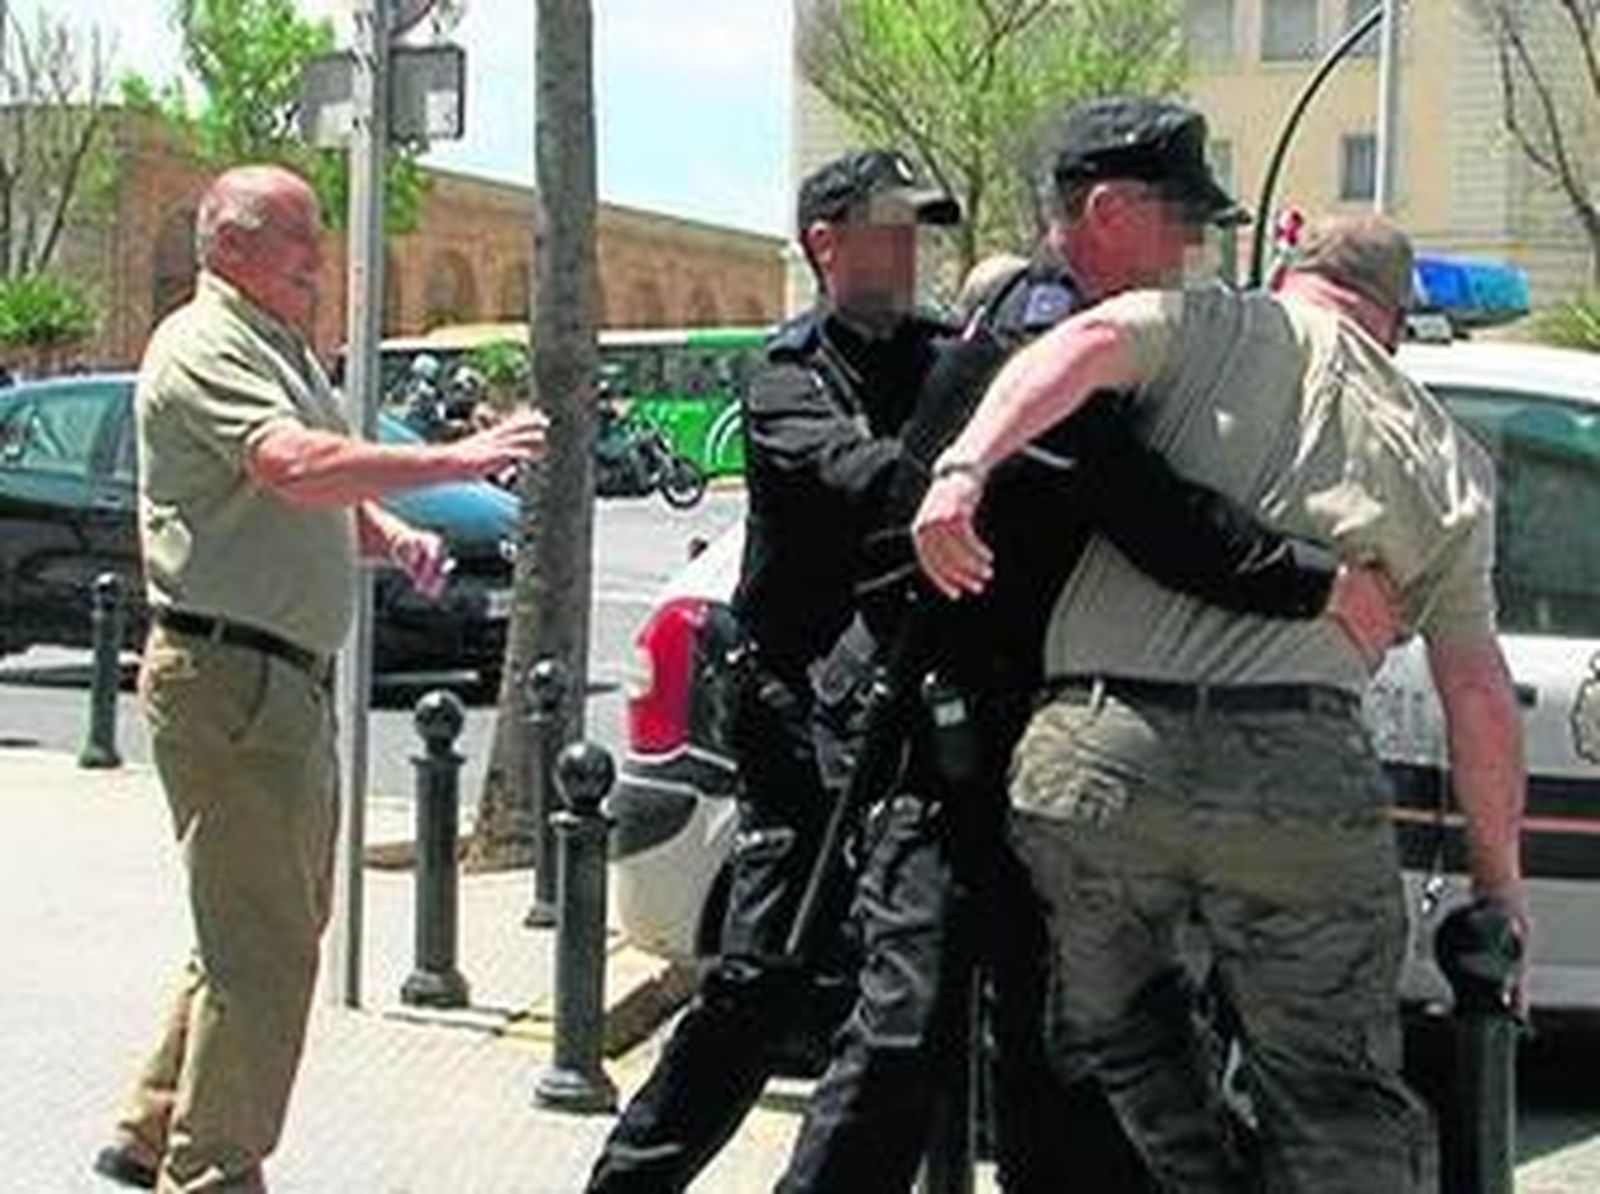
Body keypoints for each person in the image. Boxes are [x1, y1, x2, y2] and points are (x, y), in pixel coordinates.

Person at [774, 97, 1401, 1194]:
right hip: (939, 738)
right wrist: (1324, 588)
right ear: (1108, 212)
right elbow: (1157, 517)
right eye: (1183, 222)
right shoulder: (1040, 339)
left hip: (1018, 739)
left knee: (1058, 1043)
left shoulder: (1086, 330)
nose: (1196, 250)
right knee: (905, 1035)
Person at [913, 212, 1527, 1193]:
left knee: (1121, 1043)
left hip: (1100, 760)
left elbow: (1081, 342)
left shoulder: (1207, 324)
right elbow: (1478, 694)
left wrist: (961, 469)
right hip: (1298, 778)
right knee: (1329, 1086)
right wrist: (1499, 890)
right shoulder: (1447, 460)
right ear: (1396, 324)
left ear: (1287, 274)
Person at [93, 164, 547, 1193]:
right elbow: (291, 464)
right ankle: (214, 1169)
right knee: (265, 946)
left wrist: (390, 536)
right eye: (296, 237)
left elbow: (311, 488)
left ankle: (152, 1125)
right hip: (233, 677)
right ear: (231, 246)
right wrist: (457, 458)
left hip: (275, 680)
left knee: (256, 923)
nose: (318, 256)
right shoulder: (205, 341)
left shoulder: (278, 344)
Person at [582, 147, 961, 1194]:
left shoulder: (943, 354)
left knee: (908, 999)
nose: (904, 248)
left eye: (913, 231)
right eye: (884, 228)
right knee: (761, 983)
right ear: (824, 244)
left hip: (913, 716)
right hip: (799, 724)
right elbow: (866, 479)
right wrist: (975, 462)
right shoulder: (789, 374)